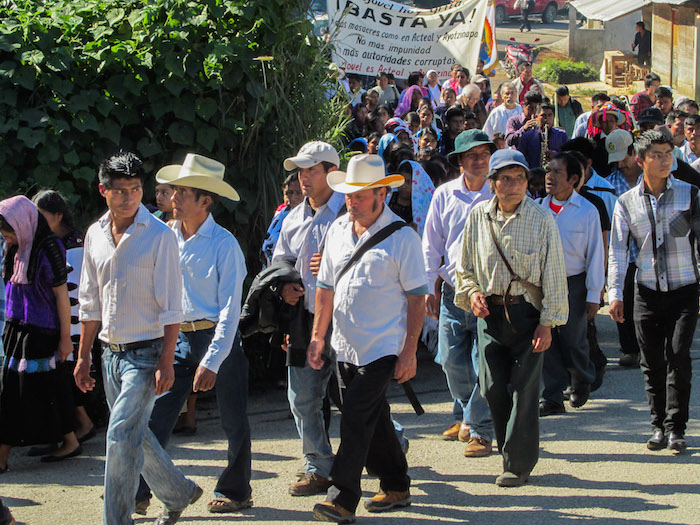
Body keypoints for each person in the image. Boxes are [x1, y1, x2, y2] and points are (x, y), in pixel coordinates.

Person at [74, 152, 201, 525]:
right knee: (133, 435)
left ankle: (117, 520)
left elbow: (171, 307)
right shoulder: (95, 234)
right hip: (109, 353)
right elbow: (90, 301)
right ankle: (178, 492)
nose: (129, 197)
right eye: (120, 190)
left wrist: (166, 360)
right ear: (104, 191)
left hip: (146, 355)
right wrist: (83, 357)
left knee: (119, 436)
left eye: (135, 189)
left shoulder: (160, 236)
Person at [309, 154, 428, 523]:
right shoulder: (337, 230)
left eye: (360, 195)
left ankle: (342, 497)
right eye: (348, 195)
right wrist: (317, 337)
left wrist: (409, 353)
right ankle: (396, 484)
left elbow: (417, 300)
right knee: (371, 417)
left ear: (382, 195)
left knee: (356, 418)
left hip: (383, 348)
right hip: (344, 346)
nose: (352, 201)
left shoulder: (403, 238)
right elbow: (325, 289)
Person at [133, 154, 252, 516]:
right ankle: (138, 489)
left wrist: (213, 359)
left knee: (233, 418)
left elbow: (232, 309)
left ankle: (236, 490)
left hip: (219, 336)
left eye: (184, 192)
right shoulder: (165, 236)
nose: (175, 198)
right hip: (178, 338)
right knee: (155, 416)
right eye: (176, 191)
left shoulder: (223, 243)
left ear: (206, 201)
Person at [455, 149, 568, 487]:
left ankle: (517, 464)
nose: (514, 185)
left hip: (528, 314)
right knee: (491, 387)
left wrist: (548, 323)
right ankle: (509, 448)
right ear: (493, 183)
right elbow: (465, 268)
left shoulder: (541, 219)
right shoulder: (478, 217)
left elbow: (554, 274)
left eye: (519, 178)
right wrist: (472, 293)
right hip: (488, 314)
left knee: (524, 388)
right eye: (506, 178)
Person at [608, 130, 698, 454]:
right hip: (645, 291)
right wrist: (615, 294)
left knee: (678, 356)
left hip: (685, 289)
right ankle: (657, 425)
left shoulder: (690, 195)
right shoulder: (626, 203)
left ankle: (676, 428)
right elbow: (618, 252)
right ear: (641, 160)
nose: (664, 160)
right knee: (652, 362)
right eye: (657, 155)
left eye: (668, 154)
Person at [272, 142, 345, 496]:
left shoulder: (351, 210)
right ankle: (318, 465)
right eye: (300, 170)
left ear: (332, 172)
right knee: (301, 397)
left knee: (356, 396)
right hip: (305, 318)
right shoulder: (292, 217)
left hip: (348, 319)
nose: (302, 177)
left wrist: (336, 263)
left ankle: (390, 442)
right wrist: (286, 286)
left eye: (310, 170)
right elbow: (280, 262)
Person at [423, 129, 495, 455]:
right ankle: (468, 412)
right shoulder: (445, 195)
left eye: (484, 154)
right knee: (451, 361)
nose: (479, 160)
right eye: (472, 156)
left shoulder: (500, 193)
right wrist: (428, 287)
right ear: (461, 161)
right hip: (453, 292)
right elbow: (432, 245)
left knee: (485, 365)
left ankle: (479, 429)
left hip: (489, 292)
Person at [0, 195, 80, 471]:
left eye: (8, 232)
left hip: (42, 330)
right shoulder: (15, 247)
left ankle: (67, 442)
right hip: (15, 327)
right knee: (19, 390)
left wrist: (65, 338)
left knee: (39, 390)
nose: (6, 237)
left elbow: (61, 297)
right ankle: (68, 440)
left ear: (23, 224)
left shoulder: (49, 248)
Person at [539, 153, 605, 416]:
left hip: (574, 282)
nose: (549, 177)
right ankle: (553, 395)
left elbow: (595, 255)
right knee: (547, 341)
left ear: (573, 178)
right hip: (543, 284)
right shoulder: (538, 208)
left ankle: (583, 377)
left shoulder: (587, 211)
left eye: (556, 172)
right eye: (548, 171)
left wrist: (593, 294)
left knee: (572, 337)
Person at [33, 190, 96, 445]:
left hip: (74, 326)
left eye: (41, 216)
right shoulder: (57, 243)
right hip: (65, 324)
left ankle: (82, 425)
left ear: (58, 216)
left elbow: (77, 292)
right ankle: (75, 426)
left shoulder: (75, 247)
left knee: (68, 376)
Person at [604, 130, 643, 368]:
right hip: (622, 252)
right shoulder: (611, 184)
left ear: (633, 151)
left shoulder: (650, 179)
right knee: (622, 299)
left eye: (623, 158)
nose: (620, 164)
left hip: (646, 252)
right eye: (615, 160)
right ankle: (629, 348)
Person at [517, 102, 569, 169]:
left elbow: (569, 156)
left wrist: (556, 155)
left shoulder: (562, 135)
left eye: (549, 115)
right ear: (536, 116)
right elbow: (520, 158)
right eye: (543, 115)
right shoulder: (527, 136)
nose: (546, 119)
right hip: (534, 175)